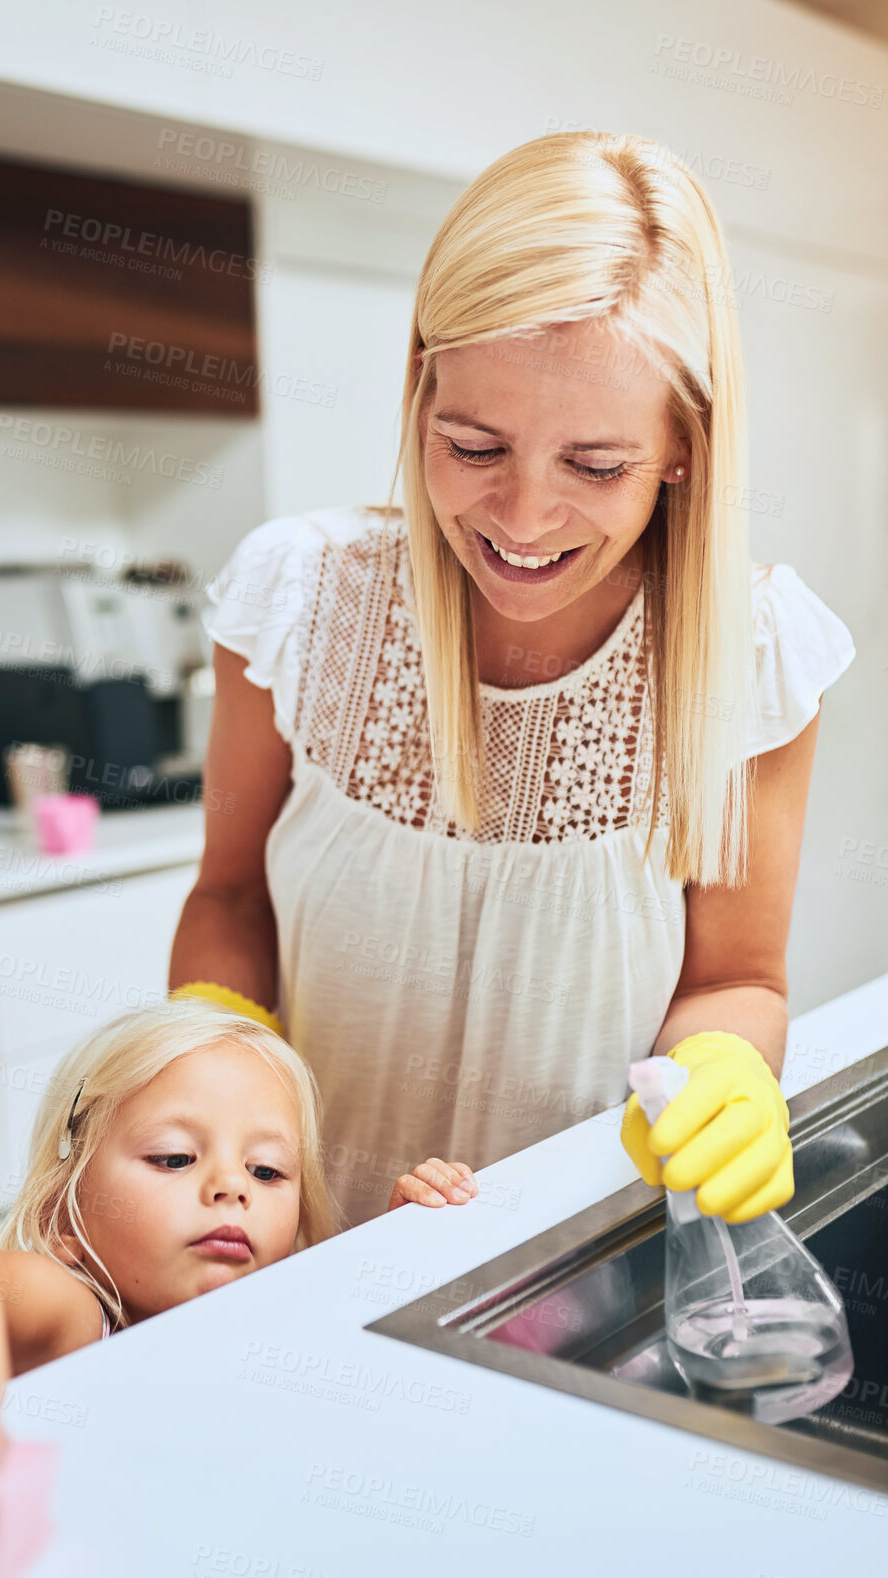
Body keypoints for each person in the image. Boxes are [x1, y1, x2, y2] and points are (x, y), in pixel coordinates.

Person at [168, 129, 856, 1233]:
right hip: (292, 1255)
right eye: (473, 445)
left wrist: (725, 1066)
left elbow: (732, 977)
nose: (523, 520)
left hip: (569, 1264)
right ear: (418, 388)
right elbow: (229, 896)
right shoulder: (295, 595)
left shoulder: (752, 654)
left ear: (683, 445)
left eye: (594, 465)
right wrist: (203, 1057)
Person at [0, 999, 475, 1510]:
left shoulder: (269, 1313)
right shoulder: (75, 1316)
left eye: (266, 1171)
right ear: (62, 1216)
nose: (230, 1186)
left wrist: (402, 1244)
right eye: (173, 1157)